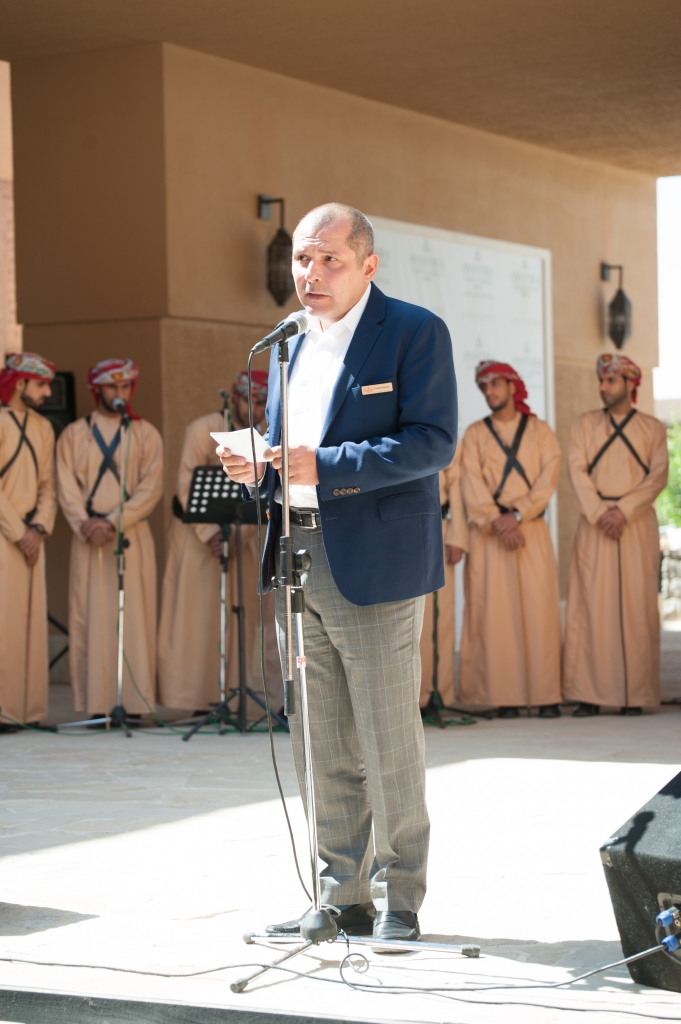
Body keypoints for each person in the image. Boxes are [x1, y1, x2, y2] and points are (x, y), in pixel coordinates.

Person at [219, 203, 456, 943]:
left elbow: (431, 443)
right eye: (300, 259)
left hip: (377, 562)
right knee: (320, 739)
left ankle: (400, 900)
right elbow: (296, 451)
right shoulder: (290, 345)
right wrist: (258, 464)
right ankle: (338, 895)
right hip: (300, 554)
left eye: (328, 260)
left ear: (368, 265)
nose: (309, 274)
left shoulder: (414, 331)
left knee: (386, 736)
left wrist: (317, 466)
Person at [157, 372, 283, 715]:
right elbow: (186, 483)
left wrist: (236, 537)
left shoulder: (266, 436)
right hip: (197, 540)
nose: (253, 408)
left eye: (260, 402)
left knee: (238, 622)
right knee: (198, 621)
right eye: (248, 400)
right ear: (233, 398)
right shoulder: (203, 428)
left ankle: (235, 698)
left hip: (242, 544)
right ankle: (197, 701)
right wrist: (212, 534)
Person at [56, 359, 163, 718]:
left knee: (134, 618)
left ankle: (133, 703)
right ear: (96, 390)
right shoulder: (73, 434)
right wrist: (85, 523)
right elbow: (65, 485)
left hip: (130, 536)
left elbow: (151, 488)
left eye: (124, 387)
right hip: (87, 538)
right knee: (89, 616)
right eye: (110, 387)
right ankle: (95, 706)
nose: (118, 394)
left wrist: (113, 521)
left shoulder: (146, 433)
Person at [563, 353, 668, 716]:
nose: (604, 387)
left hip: (635, 525)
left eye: (611, 381)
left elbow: (658, 477)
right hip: (596, 524)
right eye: (602, 381)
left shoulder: (653, 429)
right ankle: (588, 694)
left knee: (637, 606)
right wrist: (600, 512)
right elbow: (576, 470)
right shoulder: (584, 425)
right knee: (590, 605)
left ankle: (634, 694)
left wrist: (622, 511)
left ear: (629, 383)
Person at [458, 361, 562, 718]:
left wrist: (517, 516)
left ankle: (547, 695)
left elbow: (548, 479)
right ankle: (505, 697)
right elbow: (468, 481)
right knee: (495, 615)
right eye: (483, 386)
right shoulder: (473, 435)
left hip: (529, 531)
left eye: (495, 384)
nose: (489, 392)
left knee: (539, 610)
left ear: (513, 386)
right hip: (490, 536)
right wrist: (496, 521)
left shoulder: (540, 432)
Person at [0, 352, 57, 727]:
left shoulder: (44, 428)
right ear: (19, 384)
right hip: (6, 536)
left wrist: (37, 528)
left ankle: (28, 712)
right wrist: (19, 532)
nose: (47, 393)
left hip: (31, 538)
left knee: (32, 626)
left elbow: (47, 485)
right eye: (40, 385)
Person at [419, 445, 468, 712]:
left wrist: (457, 537)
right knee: (411, 620)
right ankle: (413, 696)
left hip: (440, 528)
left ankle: (440, 693)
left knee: (442, 617)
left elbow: (457, 485)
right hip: (404, 527)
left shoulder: (445, 430)